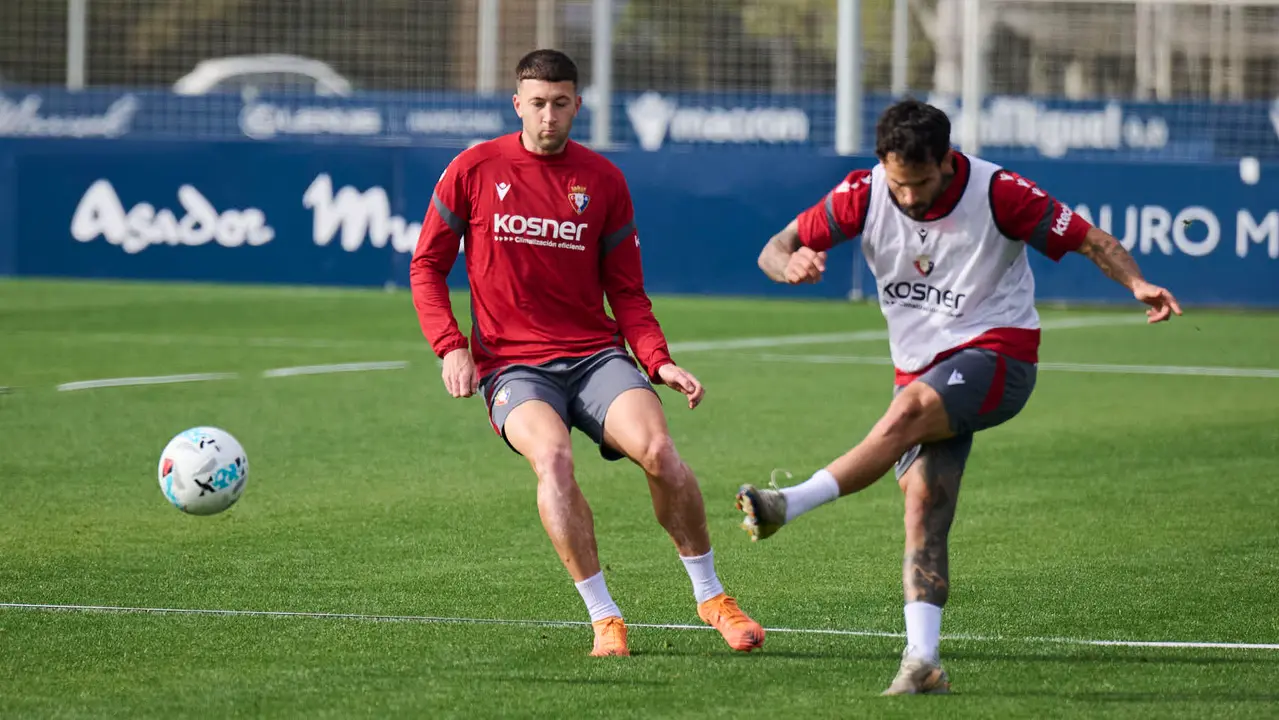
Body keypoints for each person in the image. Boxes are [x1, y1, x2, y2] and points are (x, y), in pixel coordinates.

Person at [736, 98, 1181, 694]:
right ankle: (923, 662)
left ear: (946, 162)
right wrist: (790, 264)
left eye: (920, 183)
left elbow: (1087, 239)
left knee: (909, 410)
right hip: (919, 368)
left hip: (1000, 356)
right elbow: (773, 246)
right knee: (924, 508)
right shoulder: (861, 195)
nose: (910, 198)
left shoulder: (1000, 193)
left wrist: (1137, 282)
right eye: (899, 184)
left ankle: (787, 503)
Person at [410, 49, 765, 658]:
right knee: (552, 459)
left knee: (659, 451)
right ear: (517, 103)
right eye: (538, 104)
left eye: (561, 103)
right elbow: (427, 266)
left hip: (594, 356)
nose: (549, 116)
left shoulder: (602, 180)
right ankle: (605, 617)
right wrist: (450, 347)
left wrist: (658, 361)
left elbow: (627, 292)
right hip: (511, 365)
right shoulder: (472, 168)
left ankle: (712, 597)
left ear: (578, 103)